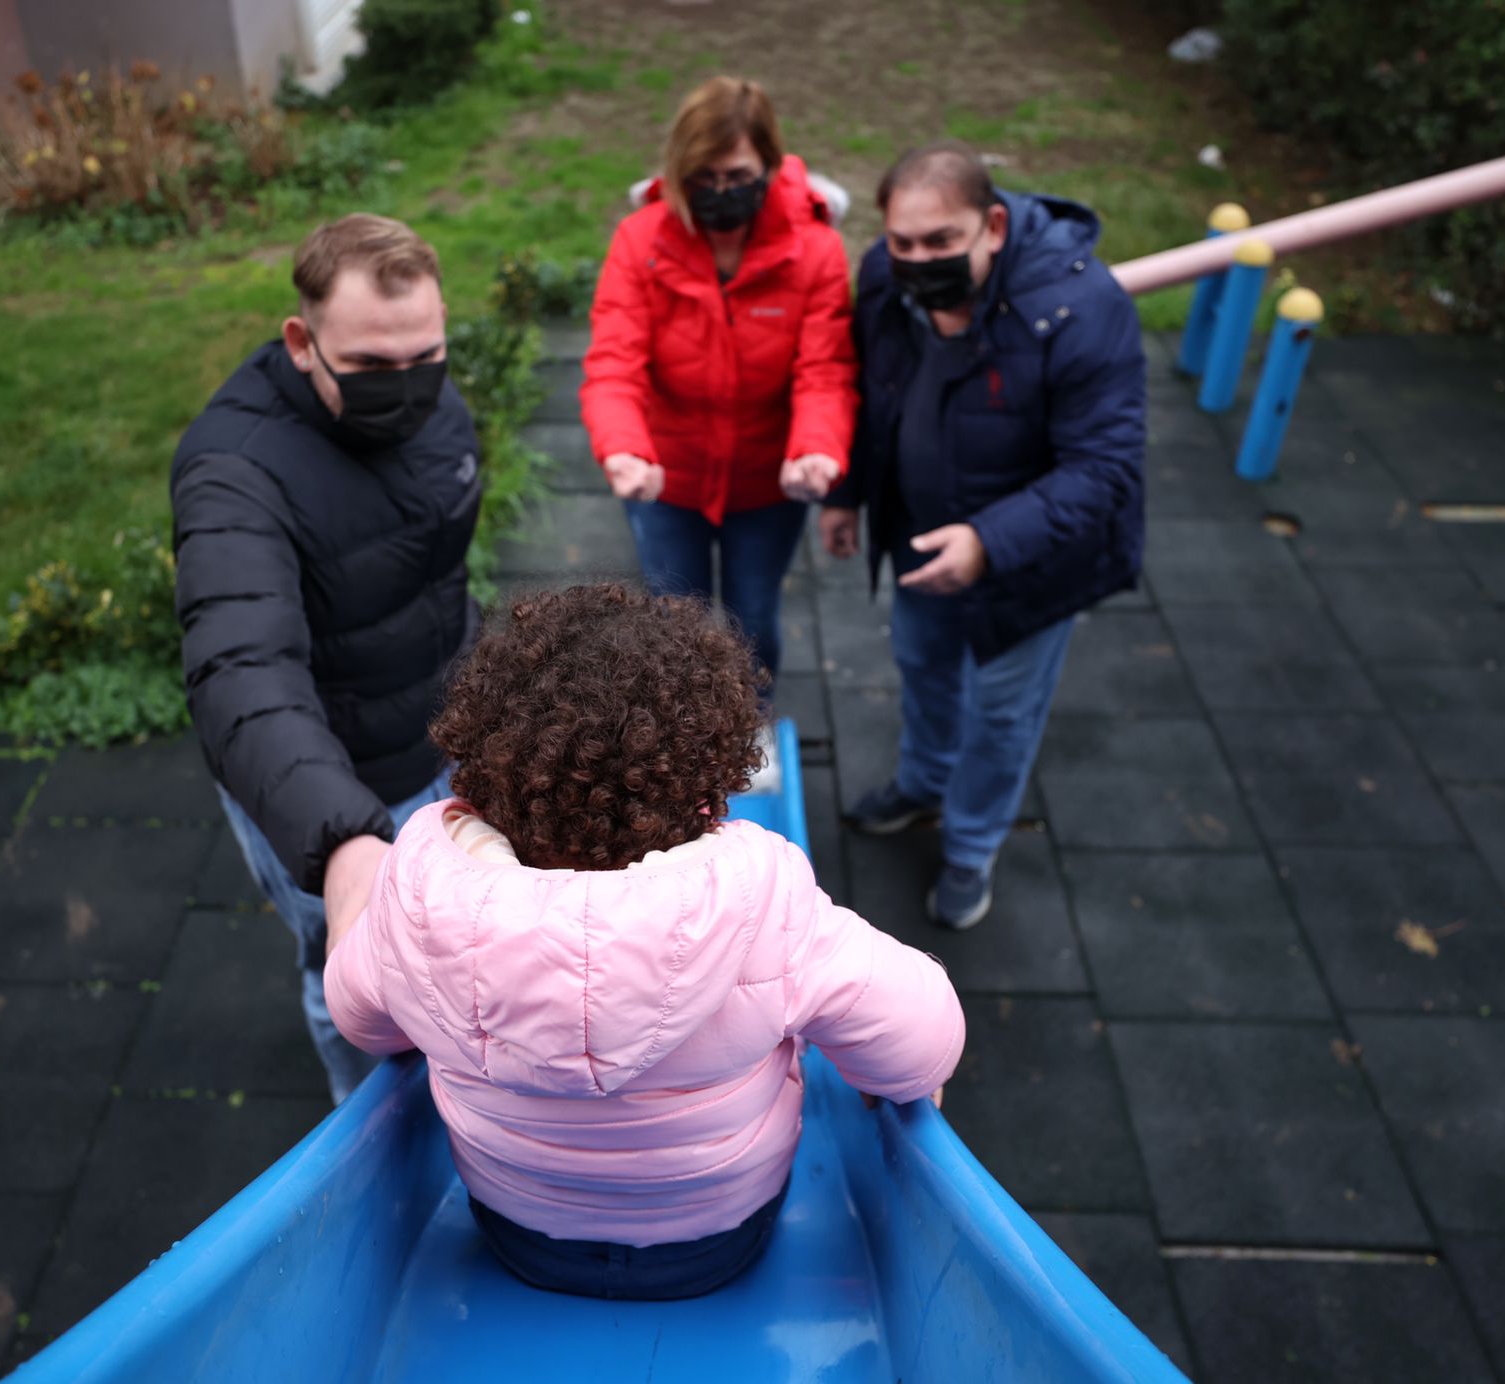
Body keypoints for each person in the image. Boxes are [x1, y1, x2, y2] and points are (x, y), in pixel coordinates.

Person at [321, 584, 964, 1301]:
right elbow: (924, 1034)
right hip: (718, 1242)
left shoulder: (419, 899)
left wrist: (363, 910)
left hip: (518, 1235)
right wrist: (898, 1074)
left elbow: (361, 1018)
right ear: (711, 792)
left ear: (485, 773)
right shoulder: (766, 903)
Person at [170, 214, 481, 1103]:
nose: (408, 387)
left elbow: (430, 571)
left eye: (426, 357)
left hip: (442, 734)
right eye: (374, 368)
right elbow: (242, 670)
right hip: (332, 785)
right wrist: (341, 843)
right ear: (303, 343)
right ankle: (366, 1116)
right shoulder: (234, 472)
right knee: (346, 973)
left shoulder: (429, 394)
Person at [820, 142, 1147, 931]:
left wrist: (990, 542)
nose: (917, 260)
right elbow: (874, 395)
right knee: (923, 665)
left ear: (992, 226)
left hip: (1031, 562)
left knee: (1004, 712)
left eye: (940, 244)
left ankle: (970, 848)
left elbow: (1105, 467)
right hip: (921, 538)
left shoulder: (1080, 308)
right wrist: (849, 494)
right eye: (903, 243)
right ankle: (925, 782)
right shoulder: (884, 282)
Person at [582, 75, 857, 781]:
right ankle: (678, 741)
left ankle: (746, 728)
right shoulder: (641, 241)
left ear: (770, 164)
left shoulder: (815, 253)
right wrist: (624, 448)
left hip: (768, 480)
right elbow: (615, 360)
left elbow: (823, 369)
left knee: (753, 618)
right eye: (703, 177)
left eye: (737, 175)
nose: (721, 191)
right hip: (666, 474)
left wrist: (818, 449)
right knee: (673, 618)